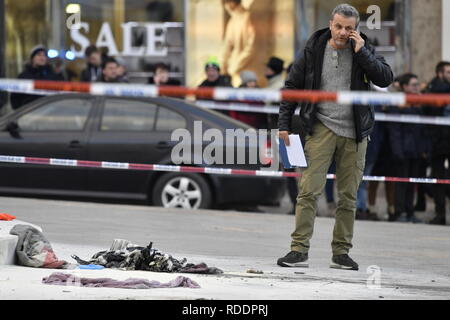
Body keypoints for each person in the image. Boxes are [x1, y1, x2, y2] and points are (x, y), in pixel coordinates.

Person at [277, 4, 393, 270]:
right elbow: (291, 87)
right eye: (339, 26)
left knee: (348, 197)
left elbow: (385, 78)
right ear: (331, 24)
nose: (343, 32)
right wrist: (283, 124)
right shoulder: (313, 49)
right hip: (320, 128)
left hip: (355, 133)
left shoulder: (364, 49)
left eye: (349, 28)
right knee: (308, 192)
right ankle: (298, 250)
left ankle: (341, 252)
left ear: (357, 29)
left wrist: (362, 51)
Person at [386, 73, 428, 223]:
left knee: (412, 183)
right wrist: (397, 150)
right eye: (413, 84)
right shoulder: (398, 103)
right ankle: (400, 212)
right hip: (402, 150)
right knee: (401, 183)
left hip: (416, 150)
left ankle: (410, 212)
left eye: (417, 84)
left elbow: (423, 128)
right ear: (404, 86)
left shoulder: (419, 103)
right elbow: (394, 129)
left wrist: (423, 149)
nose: (416, 87)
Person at [423, 61, 450, 225]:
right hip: (438, 141)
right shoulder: (433, 89)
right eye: (448, 72)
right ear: (440, 74)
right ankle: (440, 214)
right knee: (438, 180)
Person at [10, 45, 60, 110]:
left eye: (44, 55)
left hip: (50, 114)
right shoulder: (24, 76)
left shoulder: (52, 75)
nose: (42, 58)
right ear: (32, 58)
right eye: (39, 55)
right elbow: (15, 98)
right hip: (30, 115)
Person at [222, 0, 258, 87]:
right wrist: (224, 66)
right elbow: (227, 46)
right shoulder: (233, 19)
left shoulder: (247, 17)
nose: (225, 6)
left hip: (245, 68)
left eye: (226, 2)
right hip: (234, 68)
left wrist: (235, 65)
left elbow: (251, 47)